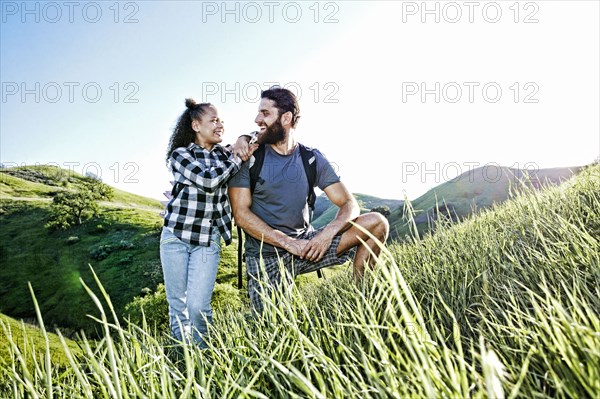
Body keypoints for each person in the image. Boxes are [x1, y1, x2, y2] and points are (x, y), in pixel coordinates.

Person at [228, 87, 389, 313]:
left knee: (376, 222)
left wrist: (325, 236)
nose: (256, 119)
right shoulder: (249, 157)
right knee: (271, 329)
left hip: (308, 247)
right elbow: (241, 215)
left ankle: (363, 301)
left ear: (286, 118)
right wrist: (288, 243)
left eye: (265, 113)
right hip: (266, 257)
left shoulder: (310, 158)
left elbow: (349, 204)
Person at [160, 98, 256, 347]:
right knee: (177, 305)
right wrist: (236, 160)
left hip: (208, 237)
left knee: (198, 306)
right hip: (176, 236)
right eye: (213, 120)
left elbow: (255, 140)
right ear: (195, 125)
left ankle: (205, 357)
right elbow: (208, 181)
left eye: (221, 120)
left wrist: (244, 138)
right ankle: (182, 358)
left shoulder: (226, 153)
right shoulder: (180, 155)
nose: (220, 125)